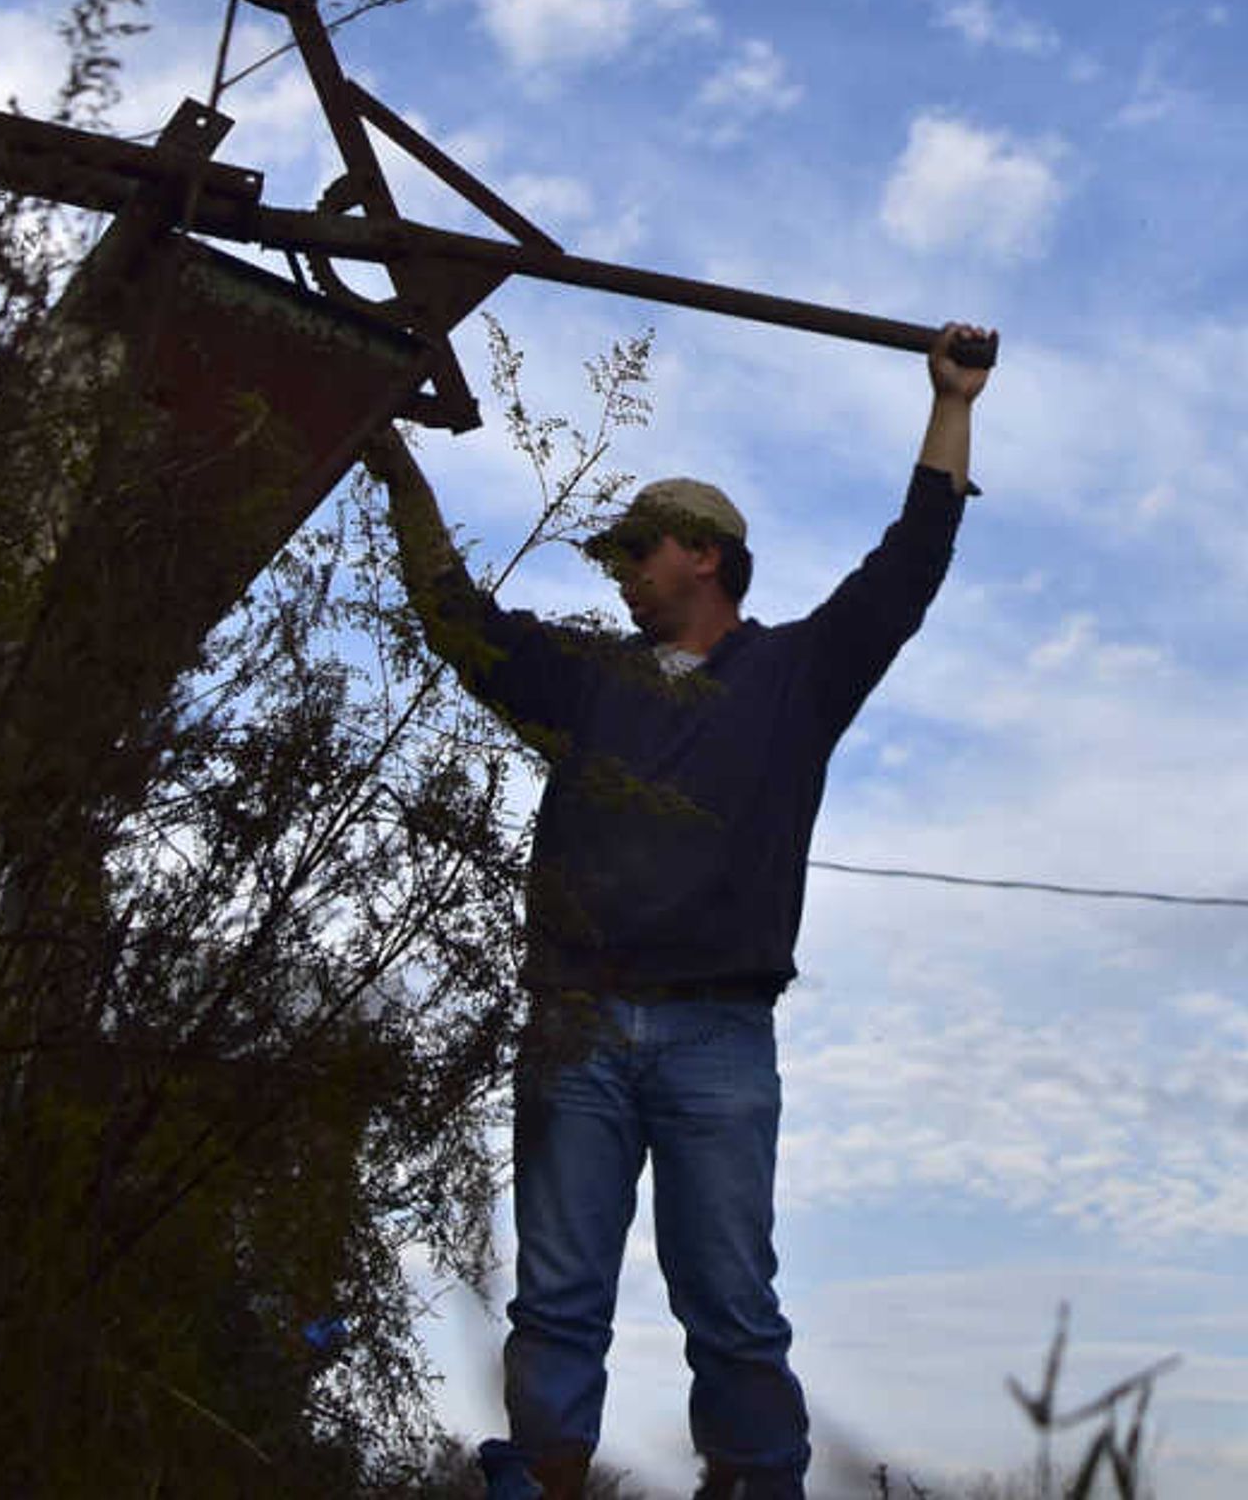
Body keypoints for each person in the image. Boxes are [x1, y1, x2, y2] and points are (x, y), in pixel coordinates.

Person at [363, 324, 998, 1500]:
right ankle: (541, 1479)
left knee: (731, 1304)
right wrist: (396, 468)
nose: (619, 573)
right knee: (557, 1299)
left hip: (719, 1034)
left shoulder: (796, 677)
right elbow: (458, 622)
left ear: (703, 555)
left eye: (636, 553)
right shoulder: (587, 678)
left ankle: (756, 1483)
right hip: (577, 1029)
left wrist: (951, 403)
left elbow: (911, 561)